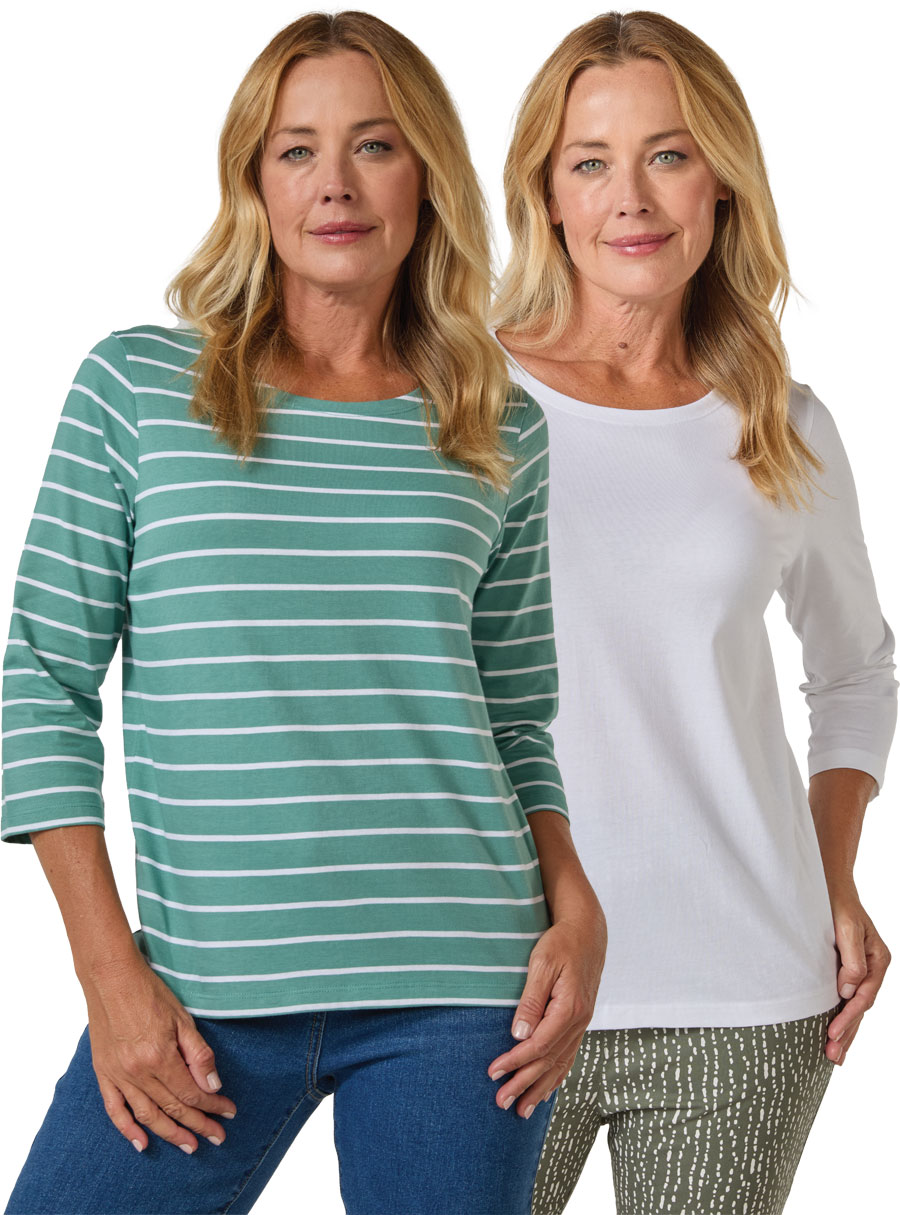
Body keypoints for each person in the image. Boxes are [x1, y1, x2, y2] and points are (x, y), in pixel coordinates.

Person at [0, 10, 605, 1214]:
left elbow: (515, 715)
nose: (335, 183)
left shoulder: (495, 426)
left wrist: (576, 905)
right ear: (254, 182)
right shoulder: (139, 389)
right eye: (296, 150)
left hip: (463, 985)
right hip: (203, 998)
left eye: (374, 145)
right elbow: (41, 686)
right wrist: (108, 973)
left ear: (426, 176)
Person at [492, 10, 896, 1215]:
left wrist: (832, 872)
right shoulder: (455, 402)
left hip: (745, 996)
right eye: (590, 162)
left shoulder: (783, 423)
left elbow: (856, 671)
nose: (631, 198)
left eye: (667, 155)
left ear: (720, 180)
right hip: (496, 986)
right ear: (546, 196)